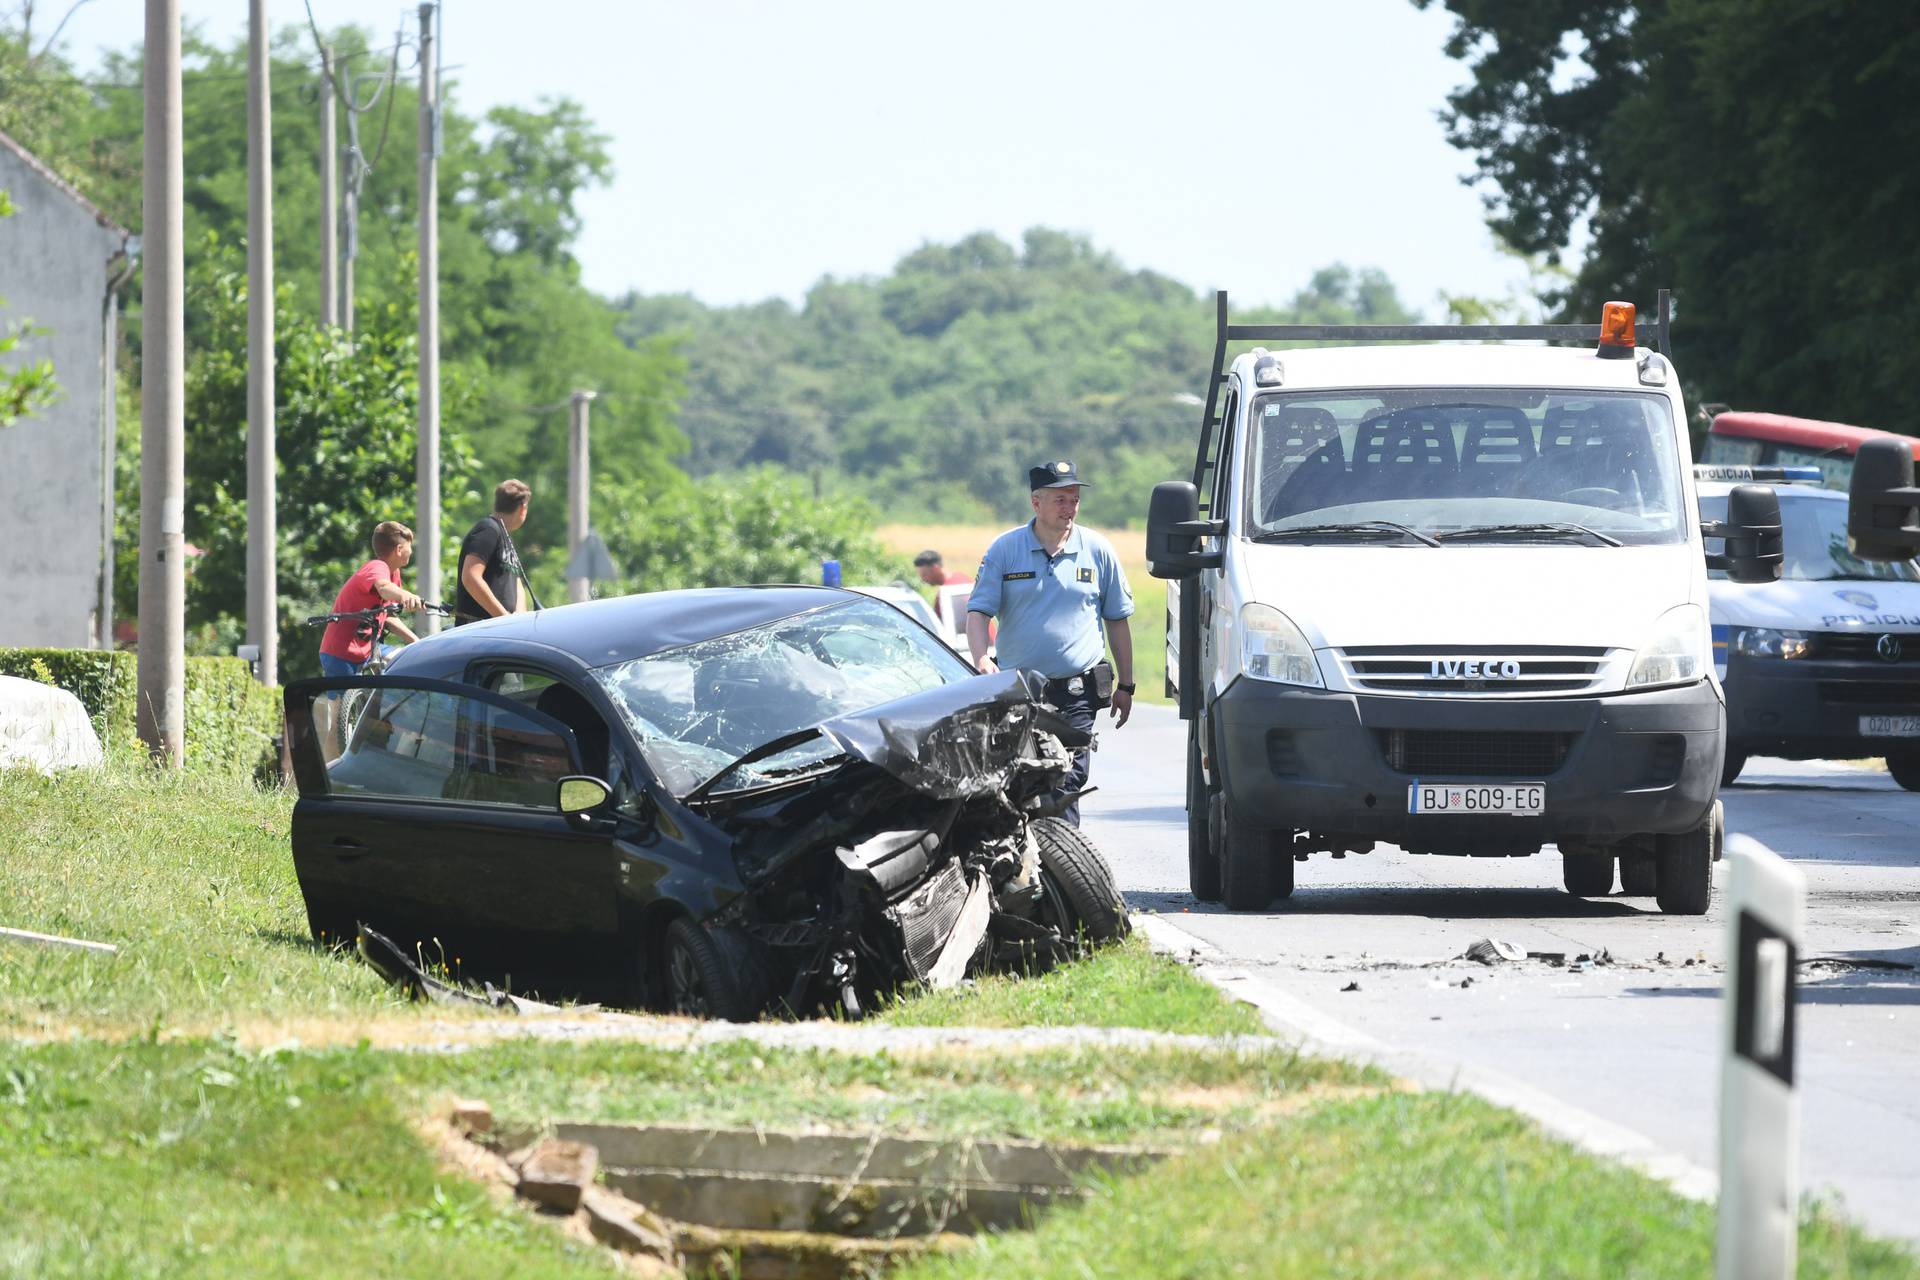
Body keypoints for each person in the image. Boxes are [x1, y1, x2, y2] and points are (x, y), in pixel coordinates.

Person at [965, 460, 1135, 826]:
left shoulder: (1097, 549)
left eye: (1074, 500)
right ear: (1035, 503)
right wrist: (982, 659)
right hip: (1020, 693)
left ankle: (1063, 864)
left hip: (1077, 693)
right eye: (1060, 500)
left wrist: (1127, 684)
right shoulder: (1005, 550)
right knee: (1019, 779)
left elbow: (1117, 619)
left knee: (1067, 779)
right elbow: (978, 613)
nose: (1069, 508)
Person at [318, 521, 423, 677]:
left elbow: (387, 616)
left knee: (404, 661)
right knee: (341, 702)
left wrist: (415, 641)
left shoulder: (394, 573)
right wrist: (405, 595)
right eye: (410, 546)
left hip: (369, 651)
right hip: (340, 654)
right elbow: (383, 588)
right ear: (399, 549)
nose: (412, 551)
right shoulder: (377, 567)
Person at [455, 479, 533, 626]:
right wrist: (504, 619)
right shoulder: (488, 529)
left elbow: (515, 581)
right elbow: (471, 577)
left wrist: (519, 620)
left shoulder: (506, 537)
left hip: (501, 629)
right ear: (522, 508)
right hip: (479, 630)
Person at [913, 548, 974, 625]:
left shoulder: (946, 594)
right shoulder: (963, 577)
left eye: (924, 575)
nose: (923, 580)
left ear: (935, 568)